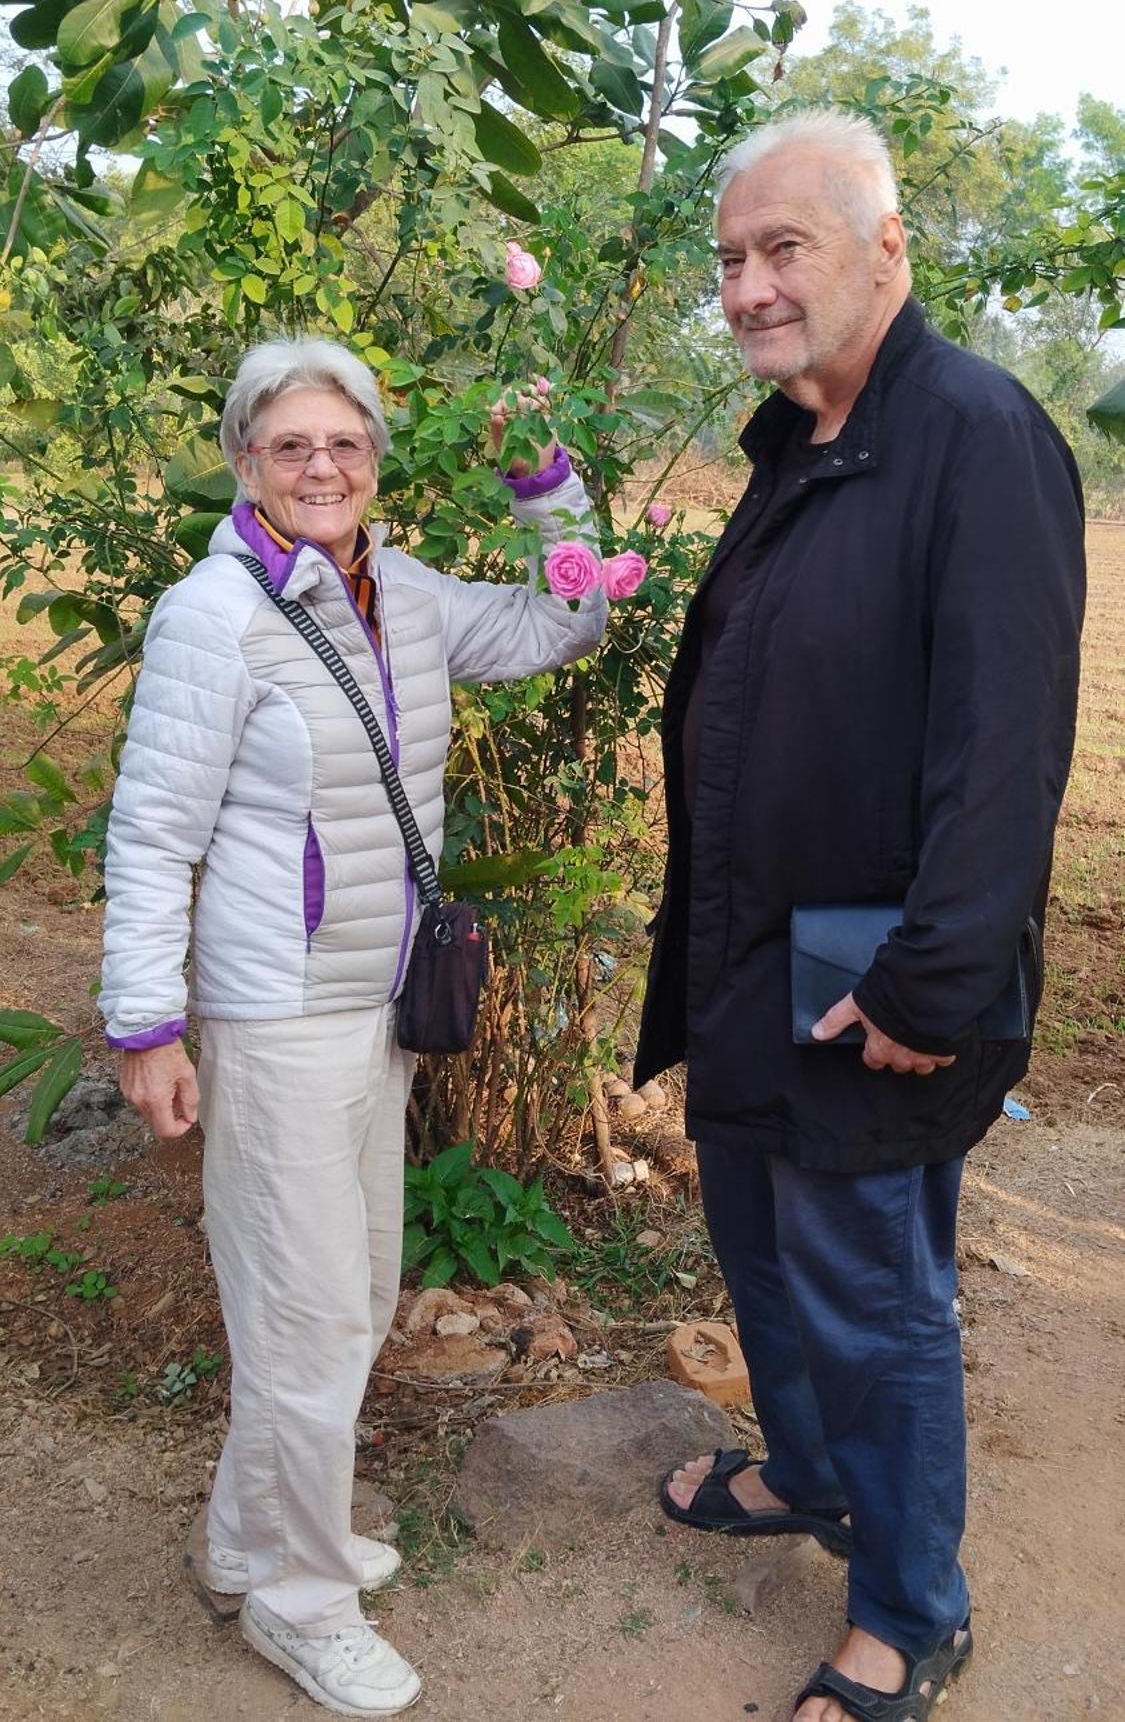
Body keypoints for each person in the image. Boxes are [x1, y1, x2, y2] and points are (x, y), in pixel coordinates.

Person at [639, 111, 1085, 1722]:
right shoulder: (806, 442)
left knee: (868, 1290)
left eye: (784, 251)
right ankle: (811, 1475)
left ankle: (908, 1607)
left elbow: (1006, 747)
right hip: (756, 954)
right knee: (758, 1242)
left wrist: (932, 987)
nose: (750, 288)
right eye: (732, 262)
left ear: (885, 249)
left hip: (869, 978)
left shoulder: (973, 433)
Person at [100, 339, 606, 1717]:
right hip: (274, 1015)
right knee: (309, 1312)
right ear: (244, 461)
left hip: (376, 1010)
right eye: (290, 446)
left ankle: (242, 1543)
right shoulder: (215, 616)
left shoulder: (407, 593)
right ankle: (299, 1600)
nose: (322, 467)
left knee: (338, 1291)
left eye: (346, 444)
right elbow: (151, 833)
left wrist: (541, 479)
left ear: (375, 459)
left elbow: (568, 619)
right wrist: (148, 1023)